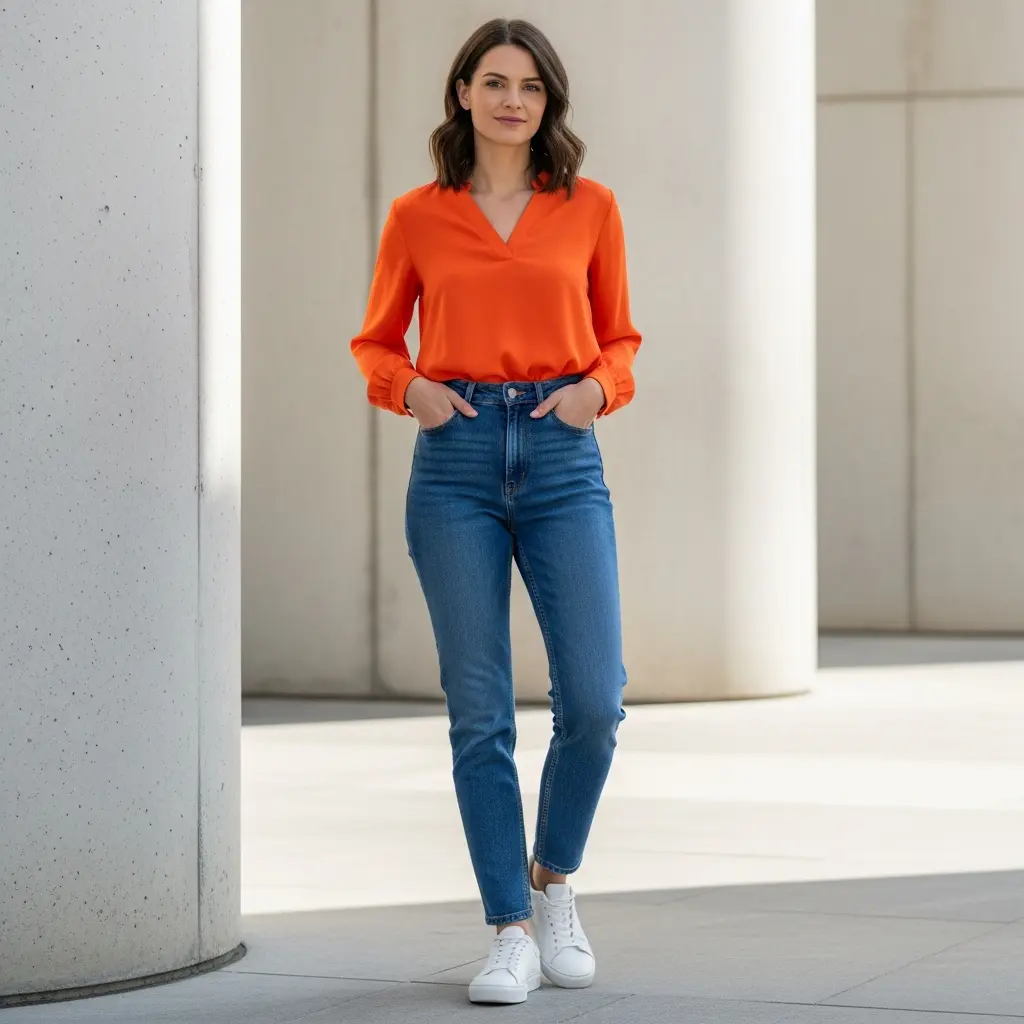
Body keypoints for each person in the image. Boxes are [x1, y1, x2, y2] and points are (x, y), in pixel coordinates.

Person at [350, 16, 641, 1006]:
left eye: (530, 85)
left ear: (548, 101)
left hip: (561, 455)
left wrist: (597, 392)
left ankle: (551, 880)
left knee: (596, 702)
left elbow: (622, 339)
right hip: (457, 463)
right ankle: (506, 929)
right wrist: (409, 391)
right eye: (494, 81)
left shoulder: (590, 207)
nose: (512, 98)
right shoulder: (418, 216)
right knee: (480, 717)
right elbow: (376, 342)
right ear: (463, 94)